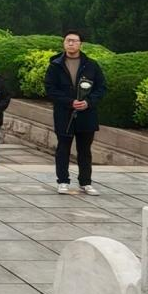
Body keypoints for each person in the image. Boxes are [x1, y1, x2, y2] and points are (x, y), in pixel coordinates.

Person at [43, 30, 107, 195]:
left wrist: (88, 102)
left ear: (80, 44)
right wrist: (69, 102)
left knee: (85, 150)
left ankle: (85, 182)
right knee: (63, 148)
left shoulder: (91, 65)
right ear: (64, 43)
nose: (71, 43)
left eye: (74, 41)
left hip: (86, 114)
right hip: (64, 113)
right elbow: (50, 89)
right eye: (68, 40)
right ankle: (63, 181)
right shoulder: (55, 65)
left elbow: (101, 88)